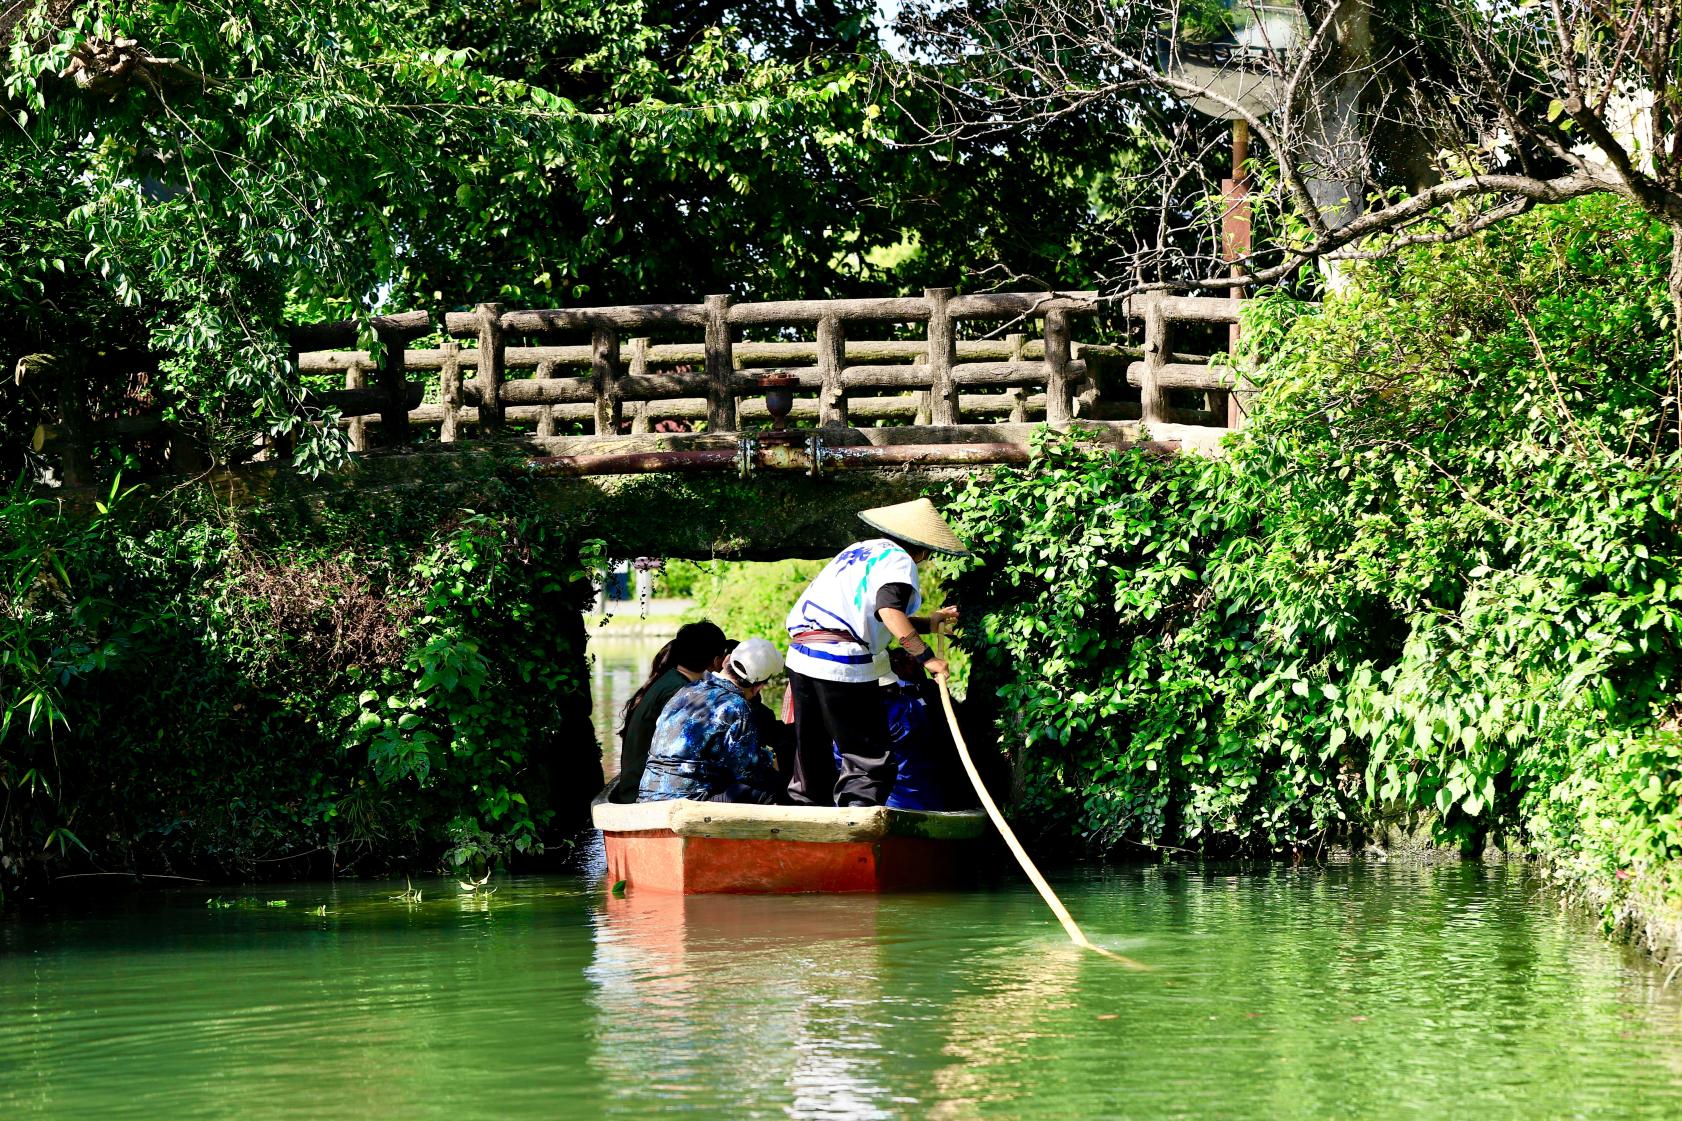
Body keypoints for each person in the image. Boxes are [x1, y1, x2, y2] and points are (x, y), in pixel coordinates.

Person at [783, 498, 967, 807]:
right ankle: (858, 821)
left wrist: (929, 623)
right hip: (838, 660)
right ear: (920, 548)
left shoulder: (860, 550)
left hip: (801, 653)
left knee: (811, 748)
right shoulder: (899, 560)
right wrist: (928, 658)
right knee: (868, 756)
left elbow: (870, 612)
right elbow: (888, 611)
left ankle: (807, 811)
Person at [637, 638, 786, 804]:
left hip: (648, 796)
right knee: (770, 785)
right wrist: (770, 758)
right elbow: (747, 770)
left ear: (726, 660)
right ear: (758, 687)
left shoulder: (686, 690)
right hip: (688, 802)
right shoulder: (737, 706)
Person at [609, 620, 728, 803]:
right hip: (644, 793)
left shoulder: (671, 680)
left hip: (636, 787)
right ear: (716, 661)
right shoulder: (682, 693)